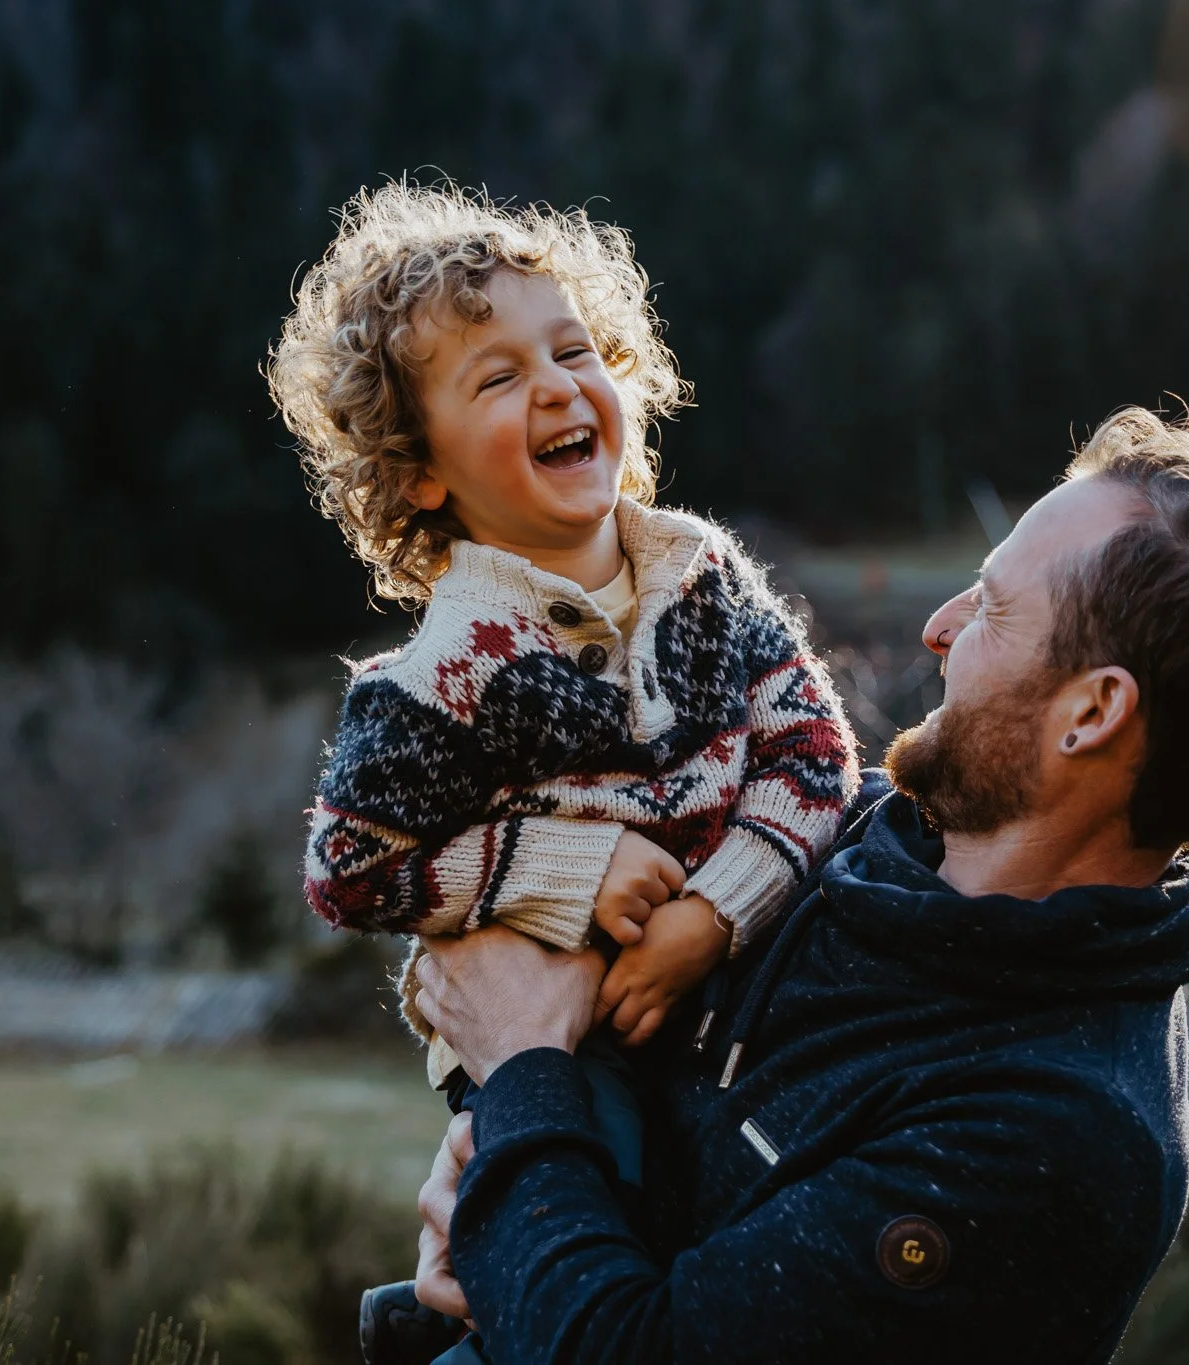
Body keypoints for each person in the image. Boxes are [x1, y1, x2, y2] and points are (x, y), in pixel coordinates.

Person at [401, 407, 1189, 1363]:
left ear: (1090, 715)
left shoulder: (1051, 1142)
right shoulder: (866, 839)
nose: (938, 629)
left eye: (994, 608)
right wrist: (502, 1207)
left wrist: (521, 1074)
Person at [265, 183, 859, 1199]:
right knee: (603, 1202)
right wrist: (565, 867)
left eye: (574, 352)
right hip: (557, 1046)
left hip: (733, 978)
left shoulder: (699, 577)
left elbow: (811, 756)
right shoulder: (440, 676)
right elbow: (353, 870)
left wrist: (712, 913)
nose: (554, 386)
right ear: (418, 473)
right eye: (497, 379)